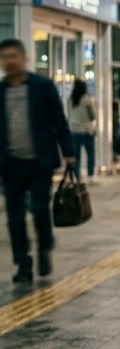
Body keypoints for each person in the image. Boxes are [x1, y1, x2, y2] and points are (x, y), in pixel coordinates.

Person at [0, 38, 75, 282]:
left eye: (14, 56)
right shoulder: (1, 90)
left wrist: (68, 151)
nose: (10, 61)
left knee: (40, 209)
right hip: (10, 164)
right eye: (5, 57)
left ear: (24, 58)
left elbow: (59, 121)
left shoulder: (42, 86)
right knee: (14, 218)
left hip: (39, 162)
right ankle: (23, 263)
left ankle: (44, 247)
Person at [66, 79, 97, 183]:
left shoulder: (70, 100)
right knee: (90, 154)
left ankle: (77, 177)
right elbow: (93, 116)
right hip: (86, 131)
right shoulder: (87, 99)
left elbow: (69, 114)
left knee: (76, 156)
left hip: (74, 130)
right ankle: (90, 176)